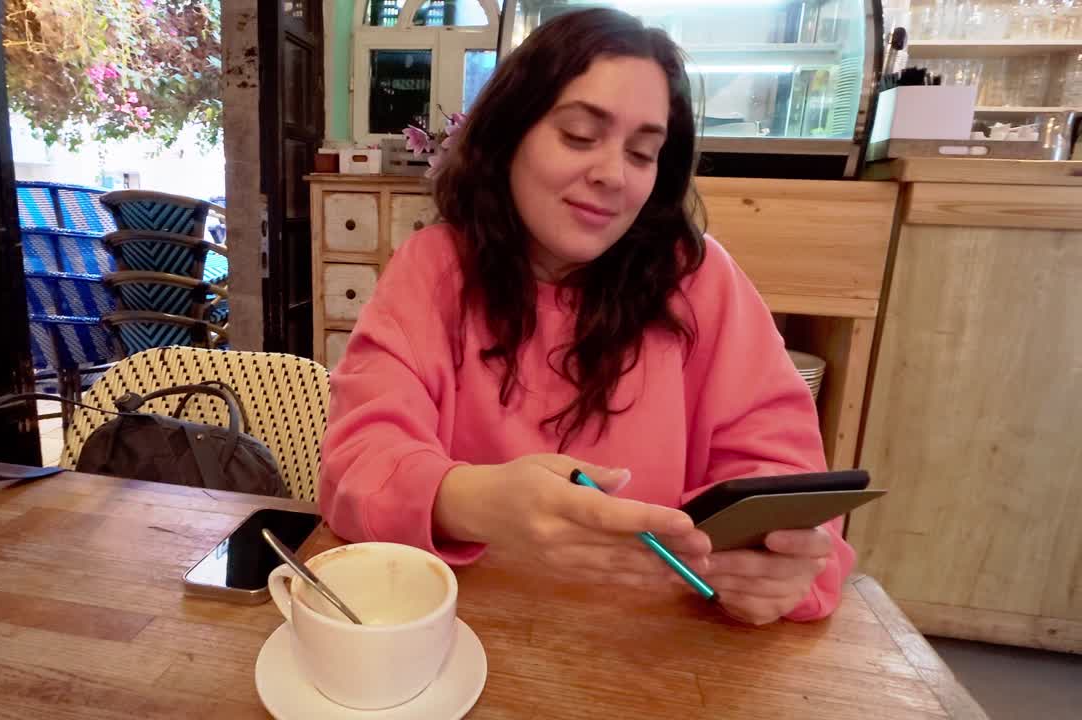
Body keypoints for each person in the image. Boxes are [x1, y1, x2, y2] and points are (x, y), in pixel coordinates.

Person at [319, 8, 854, 625]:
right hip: (464, 632)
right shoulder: (435, 270)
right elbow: (359, 462)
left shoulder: (700, 281)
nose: (612, 176)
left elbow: (782, 475)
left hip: (654, 642)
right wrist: (476, 501)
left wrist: (773, 564)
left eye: (642, 153)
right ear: (510, 134)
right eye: (578, 135)